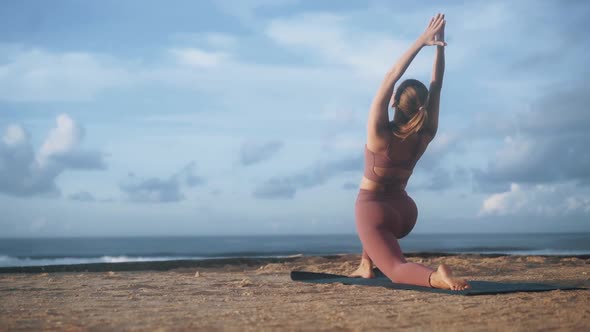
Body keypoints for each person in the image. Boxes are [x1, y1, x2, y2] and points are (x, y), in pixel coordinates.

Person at [350, 13, 470, 291]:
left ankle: (435, 277)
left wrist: (422, 41)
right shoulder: (425, 135)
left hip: (375, 211)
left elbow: (390, 76)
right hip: (405, 212)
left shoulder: (379, 134)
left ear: (394, 101)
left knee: (394, 267)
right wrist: (438, 48)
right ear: (423, 107)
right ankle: (366, 263)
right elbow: (437, 85)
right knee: (374, 227)